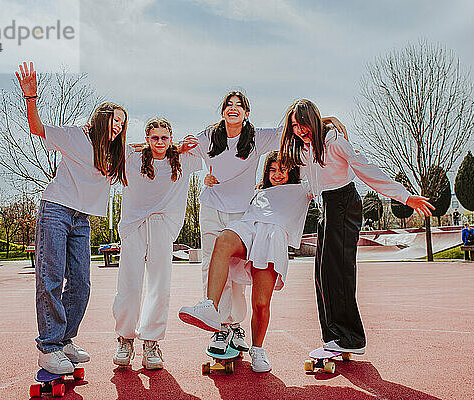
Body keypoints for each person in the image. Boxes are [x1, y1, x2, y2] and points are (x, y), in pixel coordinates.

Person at [186, 90, 346, 354]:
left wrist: (324, 120)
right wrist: (147, 149)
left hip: (240, 211)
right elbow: (181, 153)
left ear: (247, 113)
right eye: (229, 105)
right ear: (222, 110)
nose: (233, 108)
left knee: (235, 277)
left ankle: (234, 326)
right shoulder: (209, 136)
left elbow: (293, 130)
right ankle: (217, 321)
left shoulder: (258, 138)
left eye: (239, 105)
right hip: (213, 206)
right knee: (211, 263)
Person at [277, 99, 434, 355]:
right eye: (294, 126)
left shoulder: (335, 142)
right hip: (327, 206)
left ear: (313, 121)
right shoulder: (304, 150)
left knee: (337, 271)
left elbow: (367, 170)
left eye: (303, 124)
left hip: (344, 203)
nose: (299, 130)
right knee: (321, 274)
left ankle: (350, 338)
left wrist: (405, 197)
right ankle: (334, 337)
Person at [16, 62, 128, 374]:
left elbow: (149, 150)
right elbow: (38, 129)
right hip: (56, 209)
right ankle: (49, 347)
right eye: (115, 119)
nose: (118, 125)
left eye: (123, 122)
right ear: (102, 118)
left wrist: (177, 148)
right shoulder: (77, 137)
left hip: (82, 219)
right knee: (51, 278)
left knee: (81, 283)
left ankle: (65, 340)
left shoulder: (115, 154)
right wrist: (31, 97)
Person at [179, 151, 311, 372]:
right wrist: (211, 182)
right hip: (249, 229)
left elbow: (320, 170)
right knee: (223, 240)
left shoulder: (302, 189)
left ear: (292, 170)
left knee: (260, 303)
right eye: (272, 170)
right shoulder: (257, 192)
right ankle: (211, 306)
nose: (277, 174)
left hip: (271, 239)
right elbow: (232, 184)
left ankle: (258, 349)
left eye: (282, 170)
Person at [112, 118, 200, 370]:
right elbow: (117, 148)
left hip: (162, 227)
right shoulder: (131, 160)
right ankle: (125, 338)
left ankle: (151, 341)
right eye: (154, 138)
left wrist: (182, 148)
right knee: (129, 286)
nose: (159, 142)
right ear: (147, 139)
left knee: (159, 287)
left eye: (164, 138)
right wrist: (144, 147)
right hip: (133, 227)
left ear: (170, 138)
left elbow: (210, 149)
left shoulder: (184, 161)